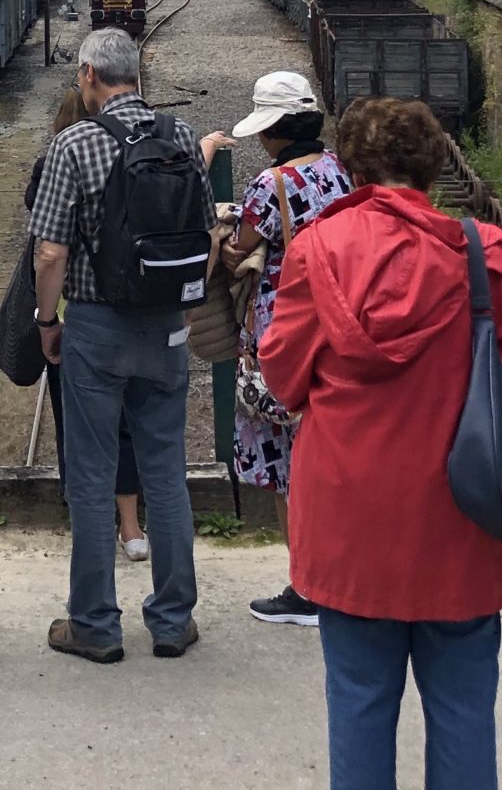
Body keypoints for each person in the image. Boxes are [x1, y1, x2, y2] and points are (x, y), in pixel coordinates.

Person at [260, 97, 502, 790]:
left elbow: (283, 377)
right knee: (464, 705)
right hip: (461, 508)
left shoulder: (319, 250)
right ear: (433, 168)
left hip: (349, 513)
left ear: (352, 169)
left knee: (359, 699)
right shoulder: (482, 254)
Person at [27, 25, 207, 663]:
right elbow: (202, 230)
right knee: (166, 474)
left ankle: (96, 626)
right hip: (165, 329)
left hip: (97, 328)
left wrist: (48, 321)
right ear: (137, 75)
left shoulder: (73, 144)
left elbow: (50, 251)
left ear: (86, 76)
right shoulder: (182, 138)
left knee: (94, 474)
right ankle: (171, 619)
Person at [198, 68, 353, 628]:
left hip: (283, 331)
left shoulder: (273, 184)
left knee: (290, 466)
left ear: (275, 129)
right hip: (332, 326)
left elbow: (241, 251)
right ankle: (339, 577)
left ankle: (307, 588)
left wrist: (227, 230)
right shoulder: (337, 170)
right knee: (324, 458)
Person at [31, 86, 144, 560]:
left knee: (79, 431)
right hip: (145, 312)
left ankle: (88, 529)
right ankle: (134, 528)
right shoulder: (151, 146)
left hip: (84, 313)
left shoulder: (60, 156)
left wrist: (46, 319)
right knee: (132, 425)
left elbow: (48, 250)